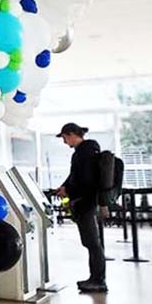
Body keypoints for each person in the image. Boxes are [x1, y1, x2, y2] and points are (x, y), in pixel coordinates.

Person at [56, 123, 107, 294]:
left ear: (71, 134)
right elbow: (75, 176)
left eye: (64, 138)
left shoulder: (83, 152)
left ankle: (98, 280)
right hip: (89, 200)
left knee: (92, 243)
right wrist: (65, 187)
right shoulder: (87, 151)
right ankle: (95, 278)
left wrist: (69, 190)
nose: (64, 142)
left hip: (86, 202)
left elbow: (84, 179)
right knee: (92, 242)